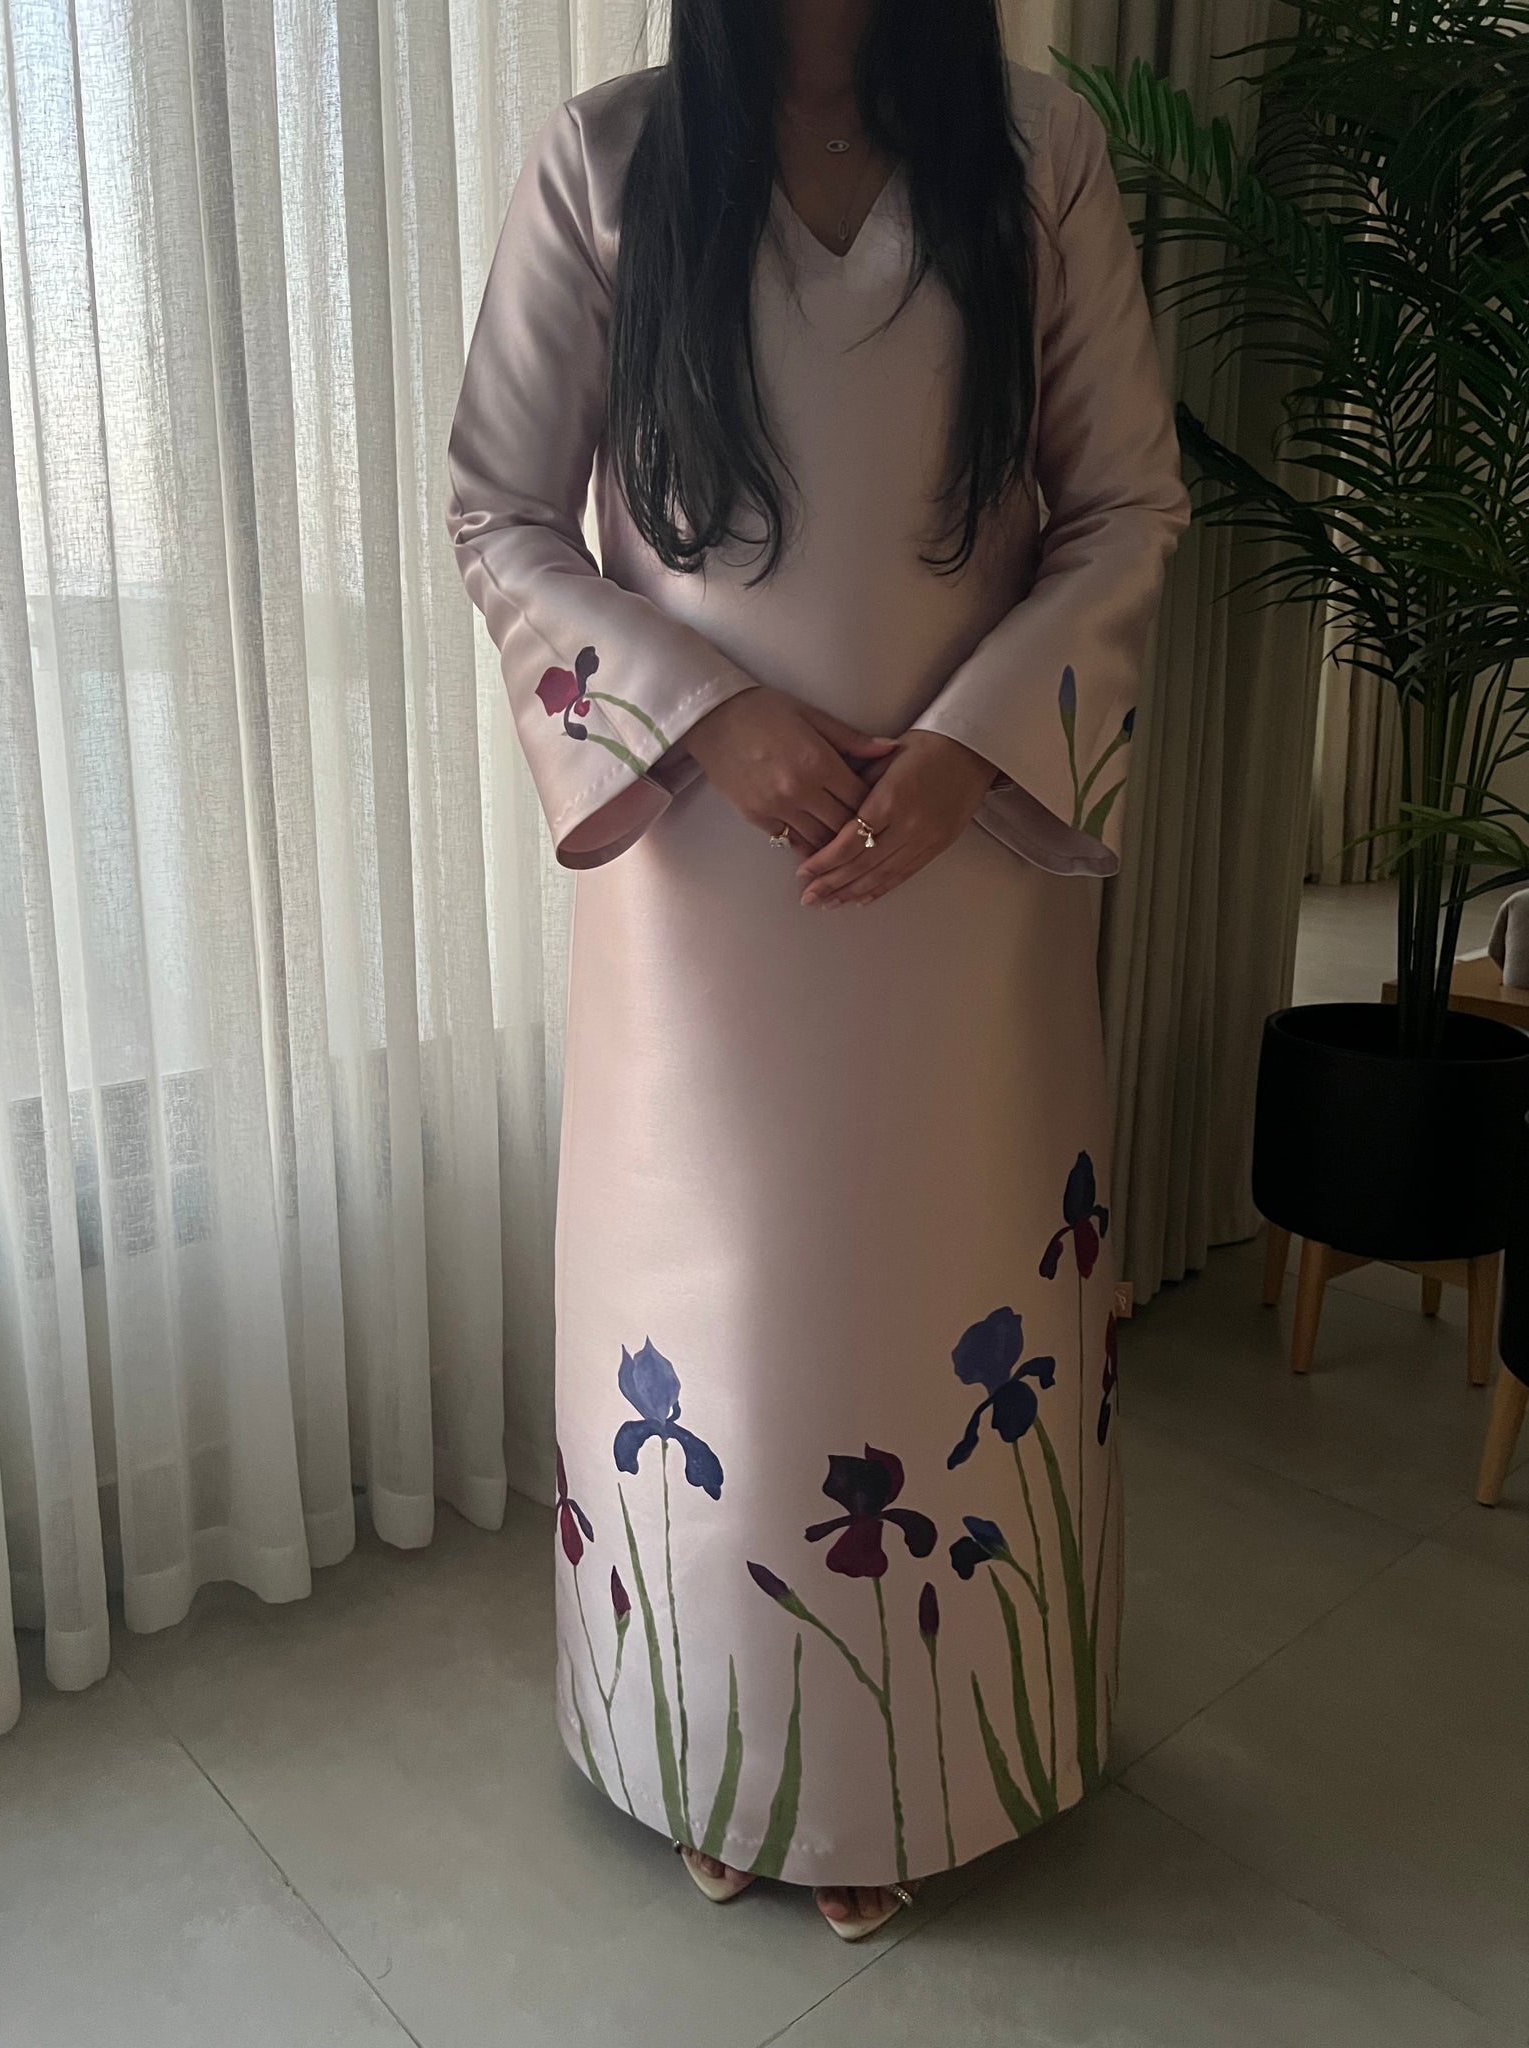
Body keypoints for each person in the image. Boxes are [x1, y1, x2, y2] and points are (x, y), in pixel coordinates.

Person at [447, 0, 1189, 1941]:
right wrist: (704, 714)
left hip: (968, 865)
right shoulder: (609, 161)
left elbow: (1126, 501)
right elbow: (502, 506)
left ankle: (927, 1758)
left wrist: (970, 748)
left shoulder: (1035, 157)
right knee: (729, 1297)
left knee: (932, 1271)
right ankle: (711, 1745)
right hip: (703, 881)